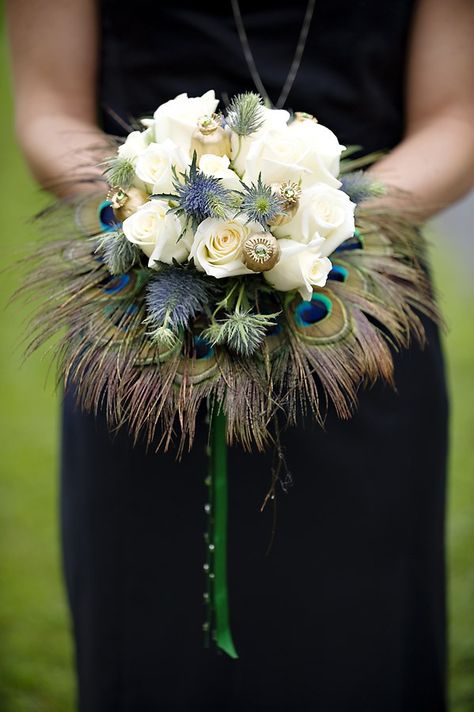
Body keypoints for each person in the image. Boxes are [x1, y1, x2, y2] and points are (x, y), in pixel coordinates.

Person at [6, 1, 474, 710]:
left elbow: (457, 117)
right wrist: (162, 214)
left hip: (356, 315)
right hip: (145, 323)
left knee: (355, 642)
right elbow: (48, 109)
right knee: (159, 638)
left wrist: (315, 228)